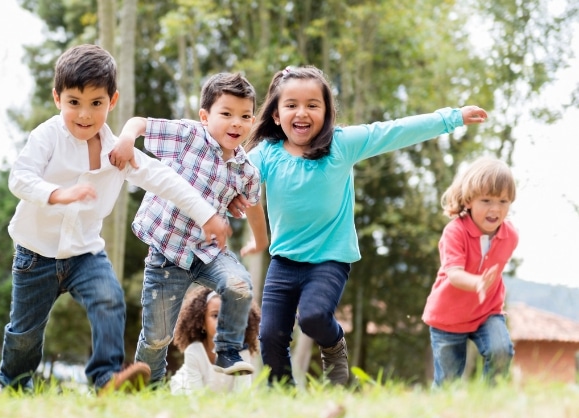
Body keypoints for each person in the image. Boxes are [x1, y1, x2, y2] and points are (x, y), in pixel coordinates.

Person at [0, 44, 230, 395]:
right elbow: (20, 177)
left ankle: (106, 380)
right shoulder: (47, 136)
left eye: (96, 103)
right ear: (57, 98)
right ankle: (11, 385)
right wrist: (58, 194)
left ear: (112, 100)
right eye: (74, 102)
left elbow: (164, 179)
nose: (84, 114)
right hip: (35, 254)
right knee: (25, 332)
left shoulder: (116, 152)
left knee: (110, 299)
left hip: (84, 254)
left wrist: (207, 214)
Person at [239, 65, 489, 386]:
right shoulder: (266, 155)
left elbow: (395, 130)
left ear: (327, 112)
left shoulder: (342, 145)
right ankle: (283, 394)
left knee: (314, 317)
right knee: (271, 335)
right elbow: (233, 179)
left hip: (330, 259)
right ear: (276, 115)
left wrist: (451, 117)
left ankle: (335, 345)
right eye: (291, 105)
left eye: (312, 105)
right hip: (284, 261)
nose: (302, 112)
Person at [108, 72, 268, 385]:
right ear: (205, 116)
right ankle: (146, 388)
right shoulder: (188, 136)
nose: (236, 123)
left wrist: (260, 241)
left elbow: (254, 207)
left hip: (208, 252)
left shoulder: (245, 170)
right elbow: (140, 123)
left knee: (239, 285)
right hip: (167, 255)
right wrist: (126, 140)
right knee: (157, 337)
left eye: (245, 116)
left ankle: (227, 349)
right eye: (226, 114)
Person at [422, 157, 517, 387]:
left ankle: (490, 403)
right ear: (469, 200)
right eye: (486, 200)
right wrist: (477, 283)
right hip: (448, 317)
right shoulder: (455, 232)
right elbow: (454, 274)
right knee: (448, 382)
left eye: (503, 201)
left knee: (501, 351)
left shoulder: (510, 236)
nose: (495, 208)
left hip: (487, 311)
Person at [170, 286, 261, 394]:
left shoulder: (242, 353)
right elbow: (196, 395)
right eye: (215, 315)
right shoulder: (194, 351)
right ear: (202, 322)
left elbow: (243, 394)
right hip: (187, 389)